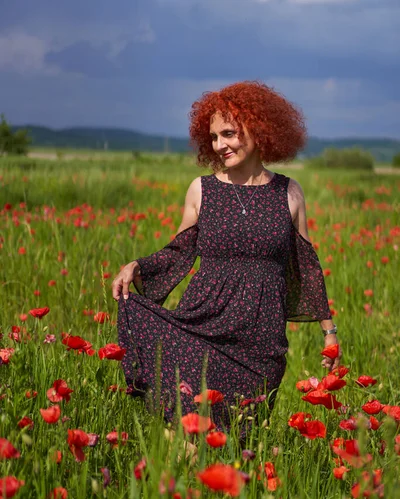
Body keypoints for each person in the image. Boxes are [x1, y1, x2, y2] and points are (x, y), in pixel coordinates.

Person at [112, 81, 341, 434]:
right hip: (203, 327)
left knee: (241, 438)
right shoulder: (201, 190)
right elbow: (178, 251)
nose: (220, 145)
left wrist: (329, 333)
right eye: (214, 137)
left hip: (261, 343)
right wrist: (137, 265)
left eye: (229, 134)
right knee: (188, 433)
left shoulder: (289, 193)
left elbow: (307, 267)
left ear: (258, 127)